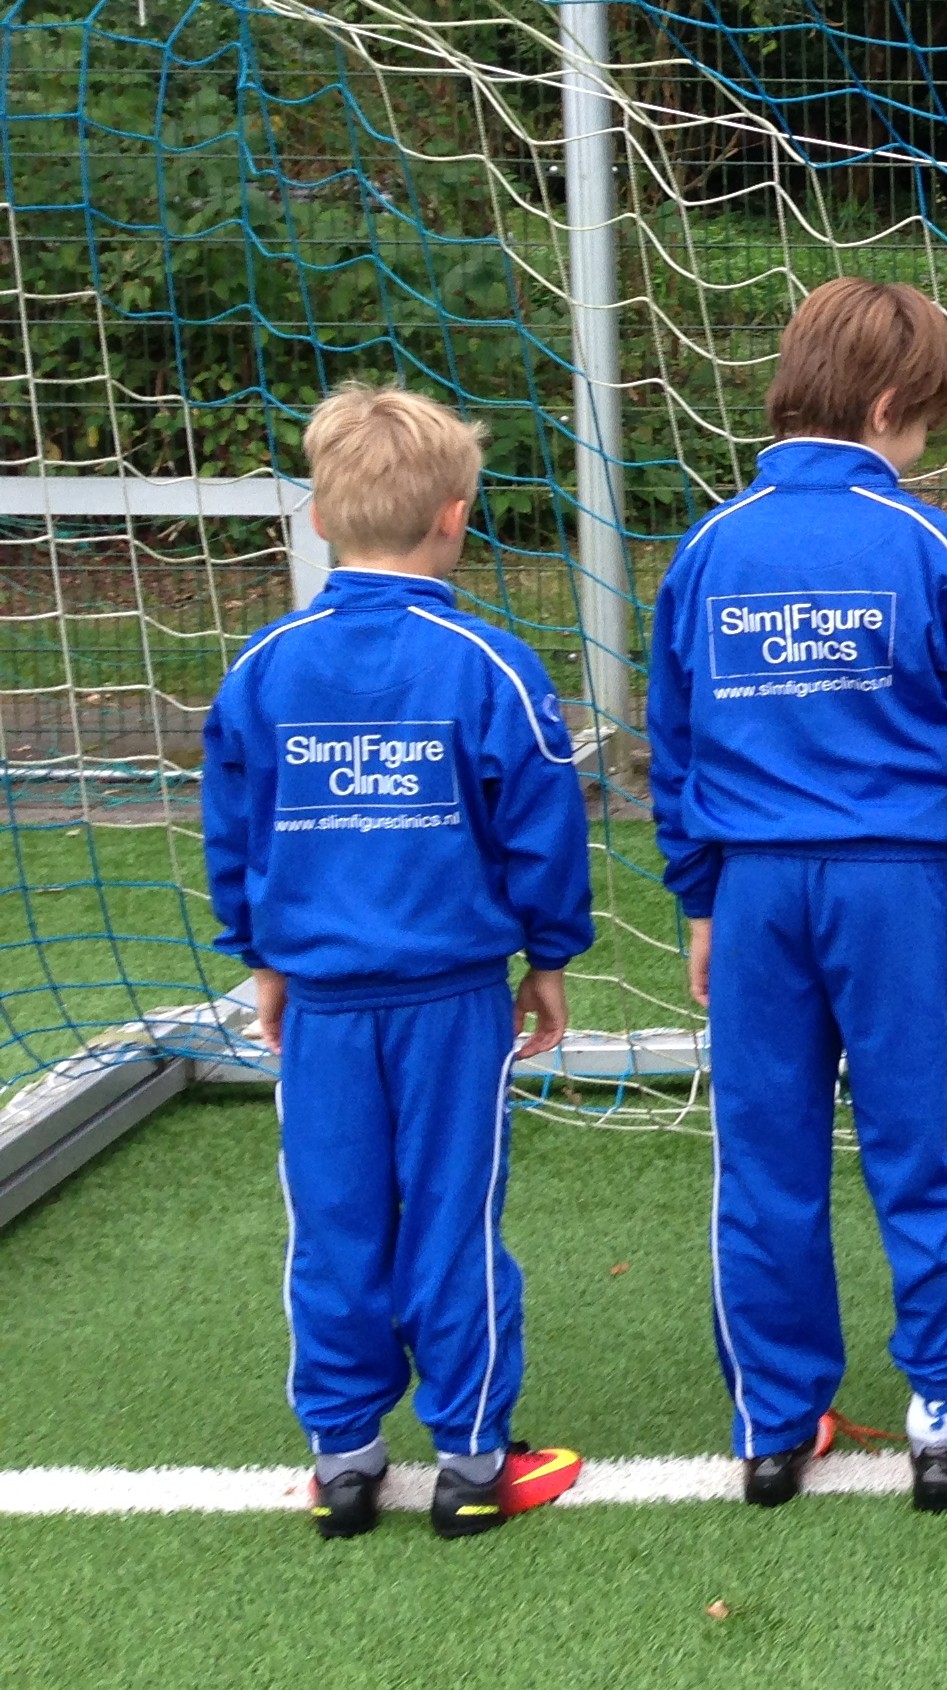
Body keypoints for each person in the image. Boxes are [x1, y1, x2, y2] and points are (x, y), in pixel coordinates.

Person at [646, 277, 947, 1511]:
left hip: (754, 892)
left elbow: (675, 743)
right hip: (897, 889)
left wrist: (700, 897)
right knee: (924, 1149)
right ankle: (944, 1418)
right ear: (888, 404)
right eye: (929, 422)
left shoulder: (708, 548)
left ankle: (771, 1422)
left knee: (764, 1158)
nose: (928, 447)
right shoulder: (935, 548)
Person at [203, 384, 594, 1539]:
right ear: (456, 517)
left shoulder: (265, 666)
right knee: (452, 1219)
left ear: (321, 519)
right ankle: (472, 1460)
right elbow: (542, 822)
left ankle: (345, 1459)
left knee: (334, 1220)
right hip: (447, 1003)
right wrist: (551, 955)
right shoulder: (488, 661)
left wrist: (260, 953)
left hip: (321, 999)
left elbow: (238, 829)